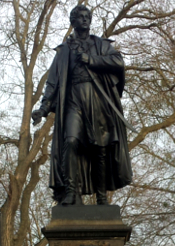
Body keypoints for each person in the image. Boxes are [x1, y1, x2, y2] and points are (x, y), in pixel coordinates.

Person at [32, 5, 132, 206]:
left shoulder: (101, 45)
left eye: (88, 17)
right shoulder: (64, 51)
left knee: (100, 147)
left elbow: (118, 62)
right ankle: (71, 191)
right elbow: (52, 83)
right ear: (73, 21)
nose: (85, 20)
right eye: (80, 17)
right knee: (70, 141)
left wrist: (91, 60)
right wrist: (43, 109)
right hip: (73, 101)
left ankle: (102, 196)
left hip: (97, 101)